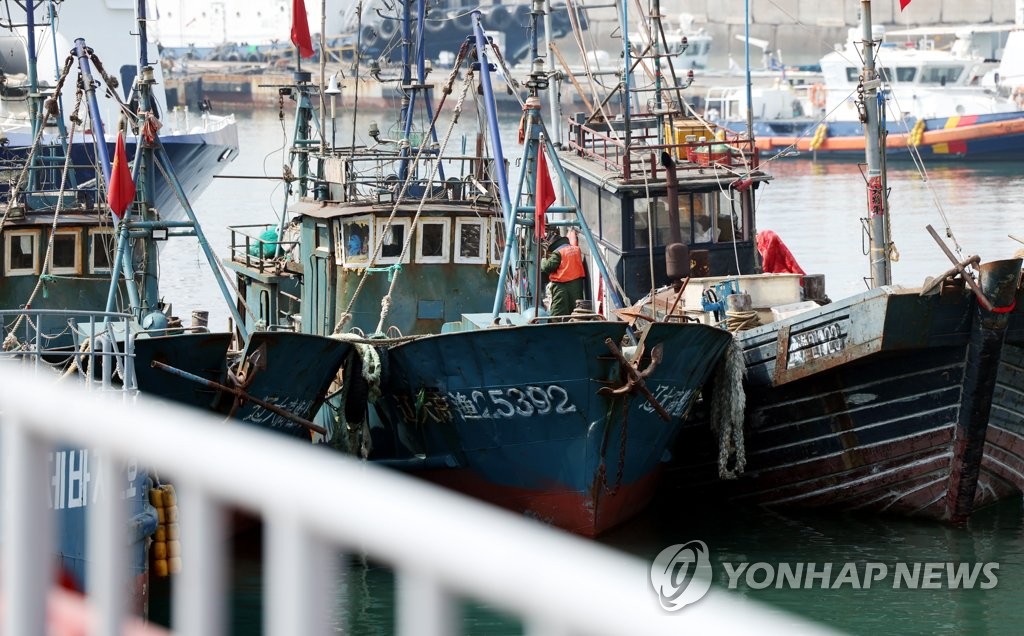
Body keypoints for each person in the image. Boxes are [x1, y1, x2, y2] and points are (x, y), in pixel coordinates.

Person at [540, 229, 586, 316]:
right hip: (577, 284)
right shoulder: (576, 249)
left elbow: (548, 267)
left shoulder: (558, 252)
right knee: (576, 310)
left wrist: (543, 259)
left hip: (561, 286)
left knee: (559, 312)